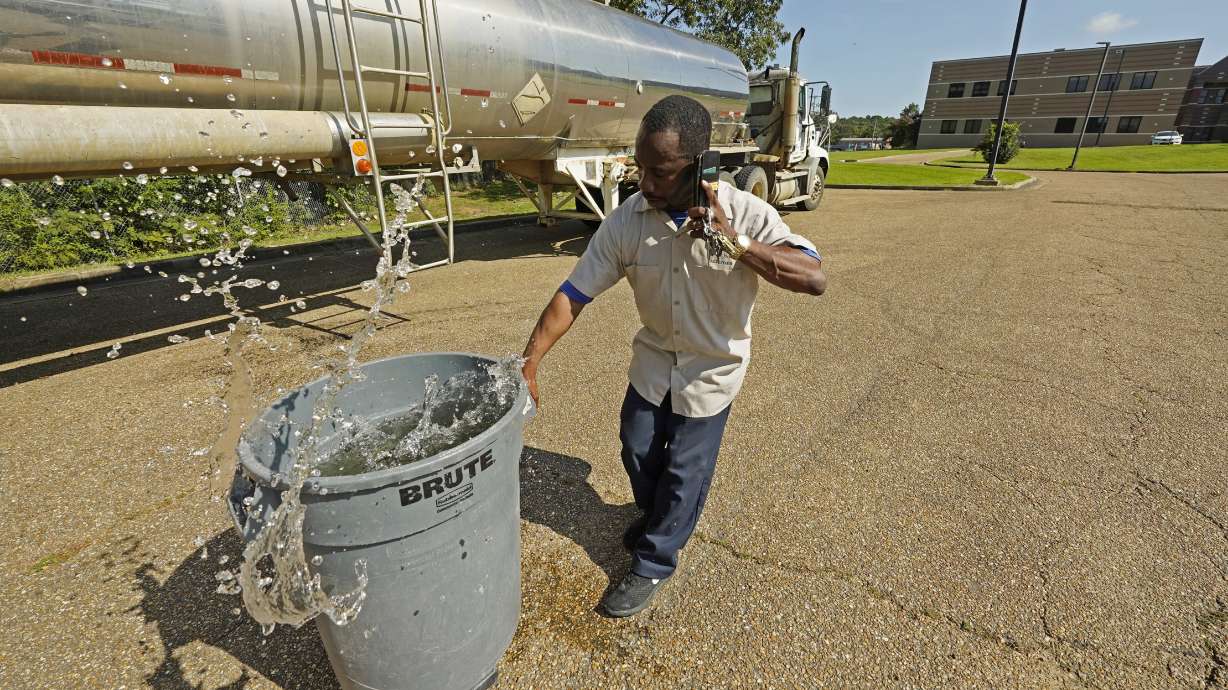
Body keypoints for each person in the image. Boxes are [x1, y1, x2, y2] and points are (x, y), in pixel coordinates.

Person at [520, 95, 827, 617]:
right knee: (637, 449)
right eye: (641, 168)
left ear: (700, 165)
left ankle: (656, 561)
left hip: (712, 370)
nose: (646, 182)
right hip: (654, 363)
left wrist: (738, 245)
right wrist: (529, 362)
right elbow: (573, 294)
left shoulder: (747, 212)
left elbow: (813, 277)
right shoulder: (628, 220)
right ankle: (658, 516)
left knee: (685, 471)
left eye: (659, 172)